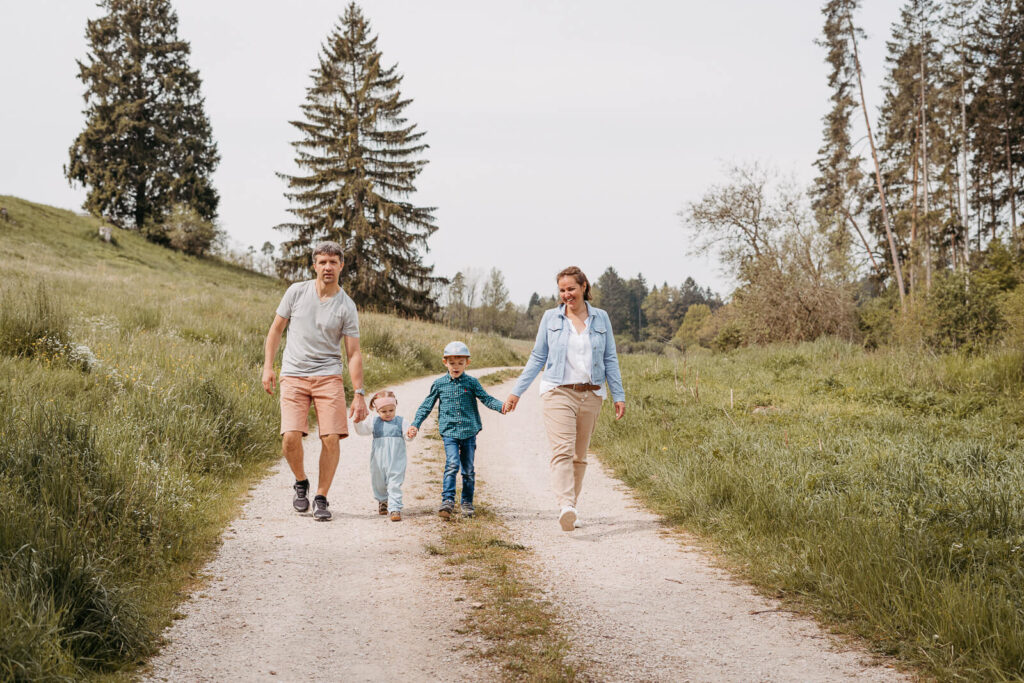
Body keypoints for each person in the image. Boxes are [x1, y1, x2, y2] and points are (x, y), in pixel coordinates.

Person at [503, 266, 625, 532]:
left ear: (584, 287)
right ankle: (566, 506)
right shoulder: (551, 318)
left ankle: (572, 507)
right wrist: (517, 392)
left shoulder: (601, 318)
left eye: (571, 288)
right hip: (558, 391)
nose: (566, 294)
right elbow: (537, 357)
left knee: (580, 456)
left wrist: (619, 394)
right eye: (562, 290)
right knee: (562, 451)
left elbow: (610, 359)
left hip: (592, 394)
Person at [261, 241, 369, 522]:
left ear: (341, 266)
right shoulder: (296, 292)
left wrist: (359, 393)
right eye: (322, 262)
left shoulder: (346, 305)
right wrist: (268, 367)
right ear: (314, 265)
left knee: (331, 438)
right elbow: (275, 330)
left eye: (333, 262)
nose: (328, 267)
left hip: (328, 377)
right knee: (290, 438)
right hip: (293, 375)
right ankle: (301, 482)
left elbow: (354, 352)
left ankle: (320, 497)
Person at [406, 341, 505, 519]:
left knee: (468, 469)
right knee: (452, 464)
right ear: (445, 363)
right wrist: (416, 424)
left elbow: (486, 398)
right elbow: (426, 405)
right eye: (452, 363)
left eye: (460, 363)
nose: (456, 366)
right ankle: (447, 501)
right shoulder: (439, 384)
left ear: (468, 363)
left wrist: (501, 406)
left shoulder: (472, 383)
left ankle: (467, 502)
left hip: (469, 431)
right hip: (449, 431)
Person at [353, 390, 410, 522]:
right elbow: (362, 431)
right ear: (377, 411)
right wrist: (357, 422)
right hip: (378, 459)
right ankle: (383, 501)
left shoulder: (401, 421)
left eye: (391, 410)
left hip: (396, 459)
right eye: (384, 411)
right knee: (378, 482)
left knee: (394, 483)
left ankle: (395, 507)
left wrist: (410, 434)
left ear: (395, 407)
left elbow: (407, 436)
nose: (388, 414)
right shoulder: (374, 422)